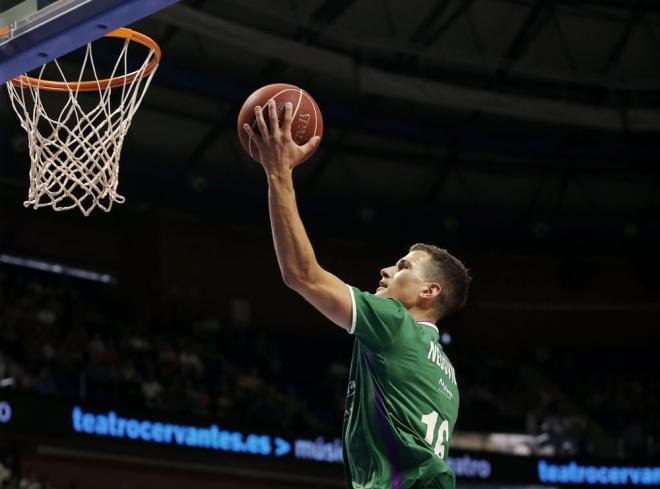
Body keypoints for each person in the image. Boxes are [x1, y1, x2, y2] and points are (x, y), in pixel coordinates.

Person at [243, 100, 471, 489]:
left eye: (402, 267)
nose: (386, 270)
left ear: (429, 291)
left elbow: (301, 274)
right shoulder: (447, 375)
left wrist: (278, 171)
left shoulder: (397, 325)